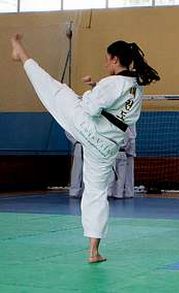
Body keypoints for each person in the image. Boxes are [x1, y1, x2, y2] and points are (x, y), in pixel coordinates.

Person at [11, 34, 160, 263]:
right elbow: (114, 107)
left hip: (89, 128)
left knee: (56, 91)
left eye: (107, 59)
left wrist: (91, 91)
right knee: (96, 194)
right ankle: (94, 251)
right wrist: (96, 87)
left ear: (115, 59)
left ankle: (22, 54)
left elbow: (90, 108)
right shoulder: (136, 87)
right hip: (108, 146)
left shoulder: (113, 82)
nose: (105, 64)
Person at [108, 125, 136, 199]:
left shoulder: (111, 128)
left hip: (113, 153)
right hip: (123, 153)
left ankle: (109, 192)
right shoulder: (127, 129)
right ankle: (119, 194)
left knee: (112, 174)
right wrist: (127, 149)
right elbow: (130, 140)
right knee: (121, 176)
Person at [65, 131, 83, 198]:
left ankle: (85, 190)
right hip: (79, 145)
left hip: (90, 147)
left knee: (88, 170)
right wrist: (75, 142)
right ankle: (74, 191)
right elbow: (67, 131)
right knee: (77, 169)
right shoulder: (73, 122)